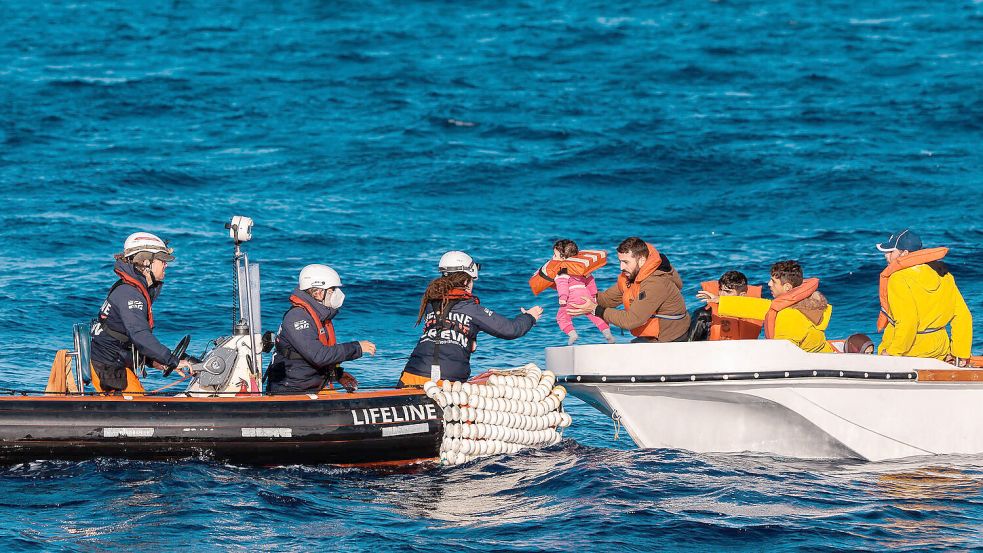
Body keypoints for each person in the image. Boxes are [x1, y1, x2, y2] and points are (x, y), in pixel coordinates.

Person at [398, 251, 543, 386]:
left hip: (409, 376)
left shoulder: (431, 303)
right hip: (446, 384)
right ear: (466, 282)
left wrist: (469, 341)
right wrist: (530, 317)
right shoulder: (471, 308)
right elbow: (511, 330)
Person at [90, 232, 192, 393]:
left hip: (114, 362)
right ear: (146, 263)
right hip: (108, 370)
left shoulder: (131, 290)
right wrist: (172, 360)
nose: (166, 265)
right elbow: (139, 335)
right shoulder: (129, 294)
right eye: (162, 260)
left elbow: (125, 338)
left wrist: (153, 361)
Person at [266, 264, 375, 394]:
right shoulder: (297, 317)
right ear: (318, 293)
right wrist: (357, 347)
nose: (337, 294)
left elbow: (312, 358)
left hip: (309, 385)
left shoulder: (319, 316)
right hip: (291, 390)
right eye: (332, 289)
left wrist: (337, 375)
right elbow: (318, 355)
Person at [875, 229, 972, 365]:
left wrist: (892, 352)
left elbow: (908, 321)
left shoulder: (899, 278)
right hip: (940, 349)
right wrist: (960, 354)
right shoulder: (944, 275)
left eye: (891, 252)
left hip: (911, 351)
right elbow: (963, 316)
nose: (886, 256)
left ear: (905, 253)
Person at [567, 237, 690, 343]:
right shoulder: (631, 276)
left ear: (641, 260)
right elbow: (606, 299)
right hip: (652, 337)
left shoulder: (655, 282)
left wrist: (595, 309)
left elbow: (632, 320)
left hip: (672, 339)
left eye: (626, 262)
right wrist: (576, 291)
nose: (621, 267)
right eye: (620, 262)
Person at [698, 260, 834, 353]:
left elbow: (785, 354)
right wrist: (719, 300)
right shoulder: (794, 304)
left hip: (817, 364)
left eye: (773, 282)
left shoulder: (790, 315)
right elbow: (758, 307)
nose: (768, 284)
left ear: (787, 287)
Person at [546, 239, 615, 345]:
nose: (552, 258)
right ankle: (607, 334)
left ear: (563, 258)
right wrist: (593, 296)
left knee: (562, 317)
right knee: (595, 314)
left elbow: (562, 284)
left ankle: (572, 334)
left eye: (555, 255)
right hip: (586, 294)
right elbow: (591, 281)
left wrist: (563, 298)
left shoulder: (561, 270)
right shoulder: (581, 268)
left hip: (572, 296)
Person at [693, 271, 764, 341]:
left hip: (747, 351)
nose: (722, 295)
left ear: (742, 295)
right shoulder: (705, 315)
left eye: (728, 292)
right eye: (721, 290)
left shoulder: (758, 312)